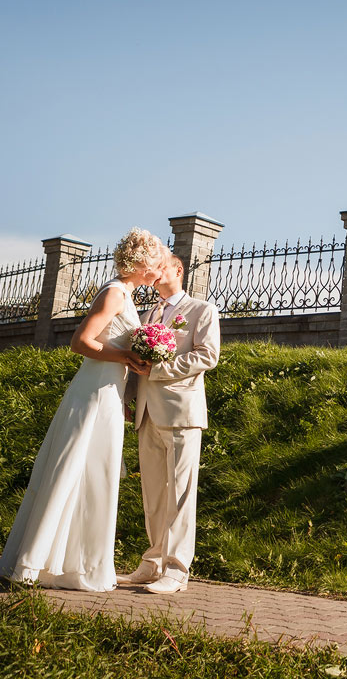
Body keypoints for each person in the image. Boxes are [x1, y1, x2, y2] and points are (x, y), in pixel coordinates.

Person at [0, 228, 164, 590]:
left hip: (108, 393)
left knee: (93, 476)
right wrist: (128, 356)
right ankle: (37, 563)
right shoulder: (115, 293)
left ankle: (73, 565)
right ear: (142, 263)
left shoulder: (125, 294)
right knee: (73, 470)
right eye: (157, 261)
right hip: (93, 394)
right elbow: (80, 342)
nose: (160, 269)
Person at [119, 252, 221, 594]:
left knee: (180, 494)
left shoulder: (201, 310)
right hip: (147, 412)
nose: (153, 271)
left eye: (159, 265)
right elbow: (137, 363)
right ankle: (152, 563)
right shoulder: (147, 314)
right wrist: (128, 398)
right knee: (153, 494)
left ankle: (177, 570)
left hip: (181, 412)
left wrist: (160, 370)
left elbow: (208, 355)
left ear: (177, 270)